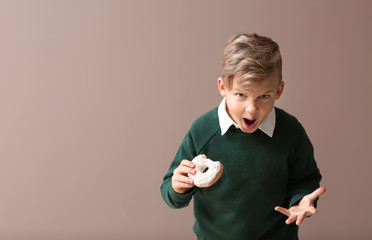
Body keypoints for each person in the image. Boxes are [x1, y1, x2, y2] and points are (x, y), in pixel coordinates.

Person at [160, 33, 326, 240]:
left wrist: (301, 201)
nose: (252, 108)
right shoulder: (202, 131)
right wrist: (177, 187)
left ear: (279, 90)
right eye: (241, 95)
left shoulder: (290, 131)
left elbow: (306, 178)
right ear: (223, 87)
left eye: (264, 96)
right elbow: (170, 193)